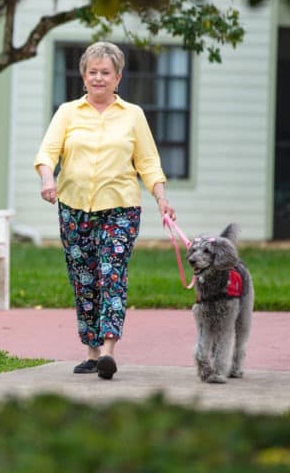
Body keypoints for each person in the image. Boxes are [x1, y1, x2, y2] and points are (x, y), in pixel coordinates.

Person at [34, 41, 176, 380]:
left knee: (111, 273)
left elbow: (148, 162)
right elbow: (47, 153)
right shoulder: (68, 112)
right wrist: (46, 180)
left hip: (121, 209)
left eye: (106, 73)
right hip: (74, 208)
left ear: (118, 77)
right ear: (83, 76)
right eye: (92, 72)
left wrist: (161, 197)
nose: (99, 78)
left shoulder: (133, 115)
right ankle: (92, 352)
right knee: (84, 280)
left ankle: (109, 351)